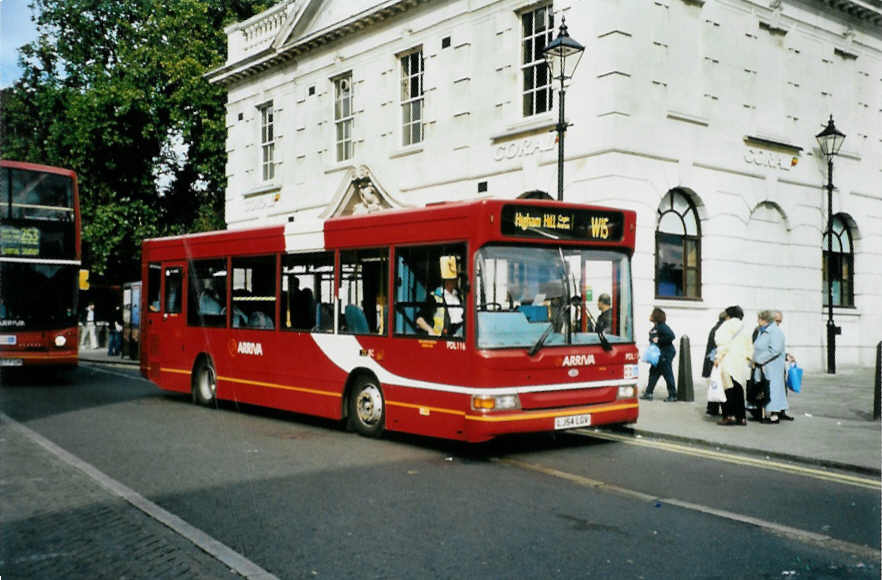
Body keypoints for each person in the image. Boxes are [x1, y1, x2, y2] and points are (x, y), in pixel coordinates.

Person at [714, 305, 753, 426]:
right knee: (739, 389)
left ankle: (729, 416)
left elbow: (722, 344)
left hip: (728, 361)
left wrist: (718, 357)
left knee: (727, 389)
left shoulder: (725, 326)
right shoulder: (745, 327)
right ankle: (741, 417)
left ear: (728, 315)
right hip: (741, 363)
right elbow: (750, 347)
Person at [752, 309, 787, 424]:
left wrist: (759, 359)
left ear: (765, 320)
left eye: (759, 319)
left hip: (772, 366)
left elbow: (775, 349)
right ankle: (763, 412)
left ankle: (774, 415)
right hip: (763, 365)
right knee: (764, 389)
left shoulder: (775, 332)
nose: (757, 321)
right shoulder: (763, 331)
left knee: (773, 389)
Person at [641, 307, 677, 402]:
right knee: (653, 373)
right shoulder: (656, 327)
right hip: (659, 354)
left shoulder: (662, 326)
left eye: (652, 314)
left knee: (667, 373)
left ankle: (673, 395)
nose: (650, 316)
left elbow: (671, 336)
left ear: (656, 316)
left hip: (665, 353)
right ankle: (648, 393)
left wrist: (659, 340)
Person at [416, 265, 463, 337]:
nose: (455, 280)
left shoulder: (458, 296)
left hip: (459, 334)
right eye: (453, 278)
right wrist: (430, 330)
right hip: (441, 338)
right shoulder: (434, 297)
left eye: (456, 278)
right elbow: (419, 320)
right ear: (446, 280)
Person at [702, 310, 727, 416]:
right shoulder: (723, 329)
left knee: (715, 384)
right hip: (717, 360)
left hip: (712, 359)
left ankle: (712, 409)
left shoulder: (715, 327)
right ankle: (719, 409)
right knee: (721, 384)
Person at [773, 310, 795, 421]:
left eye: (780, 322)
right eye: (777, 321)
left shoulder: (777, 332)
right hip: (773, 366)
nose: (778, 324)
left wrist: (786, 355)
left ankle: (782, 411)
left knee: (782, 388)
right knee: (775, 389)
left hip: (780, 365)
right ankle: (775, 412)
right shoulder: (767, 332)